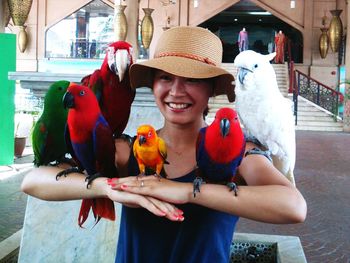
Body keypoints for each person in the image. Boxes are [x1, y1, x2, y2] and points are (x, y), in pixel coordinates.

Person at [21, 26, 306, 263]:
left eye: (192, 80)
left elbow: (294, 207)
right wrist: (109, 187)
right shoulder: (126, 150)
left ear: (211, 90)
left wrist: (184, 191)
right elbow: (33, 181)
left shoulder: (239, 154)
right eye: (165, 78)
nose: (176, 91)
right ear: (153, 85)